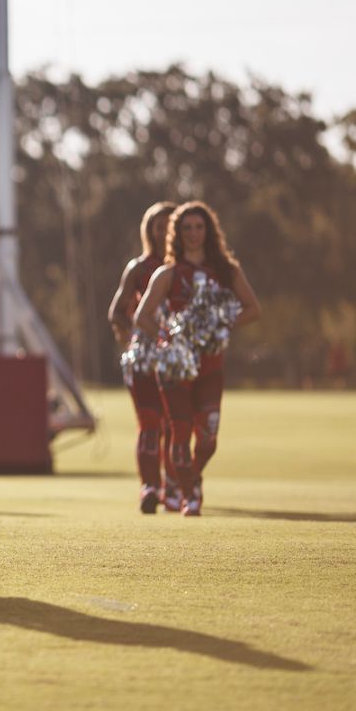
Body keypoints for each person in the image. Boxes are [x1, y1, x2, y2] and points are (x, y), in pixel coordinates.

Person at [134, 201, 261, 516]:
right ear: (177, 233)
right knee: (180, 432)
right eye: (187, 227)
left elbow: (253, 309)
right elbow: (142, 316)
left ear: (209, 231)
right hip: (176, 368)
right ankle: (190, 495)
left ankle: (189, 478)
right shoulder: (168, 273)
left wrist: (218, 325)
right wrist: (168, 339)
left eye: (199, 227)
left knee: (208, 438)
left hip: (210, 365)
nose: (193, 233)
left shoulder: (226, 271)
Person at [107, 201, 177, 514]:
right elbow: (117, 312)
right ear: (150, 231)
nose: (164, 233)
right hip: (147, 356)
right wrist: (133, 335)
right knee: (150, 423)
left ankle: (175, 485)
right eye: (158, 227)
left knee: (176, 425)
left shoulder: (189, 269)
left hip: (180, 358)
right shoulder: (140, 268)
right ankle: (150, 486)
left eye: (169, 225)